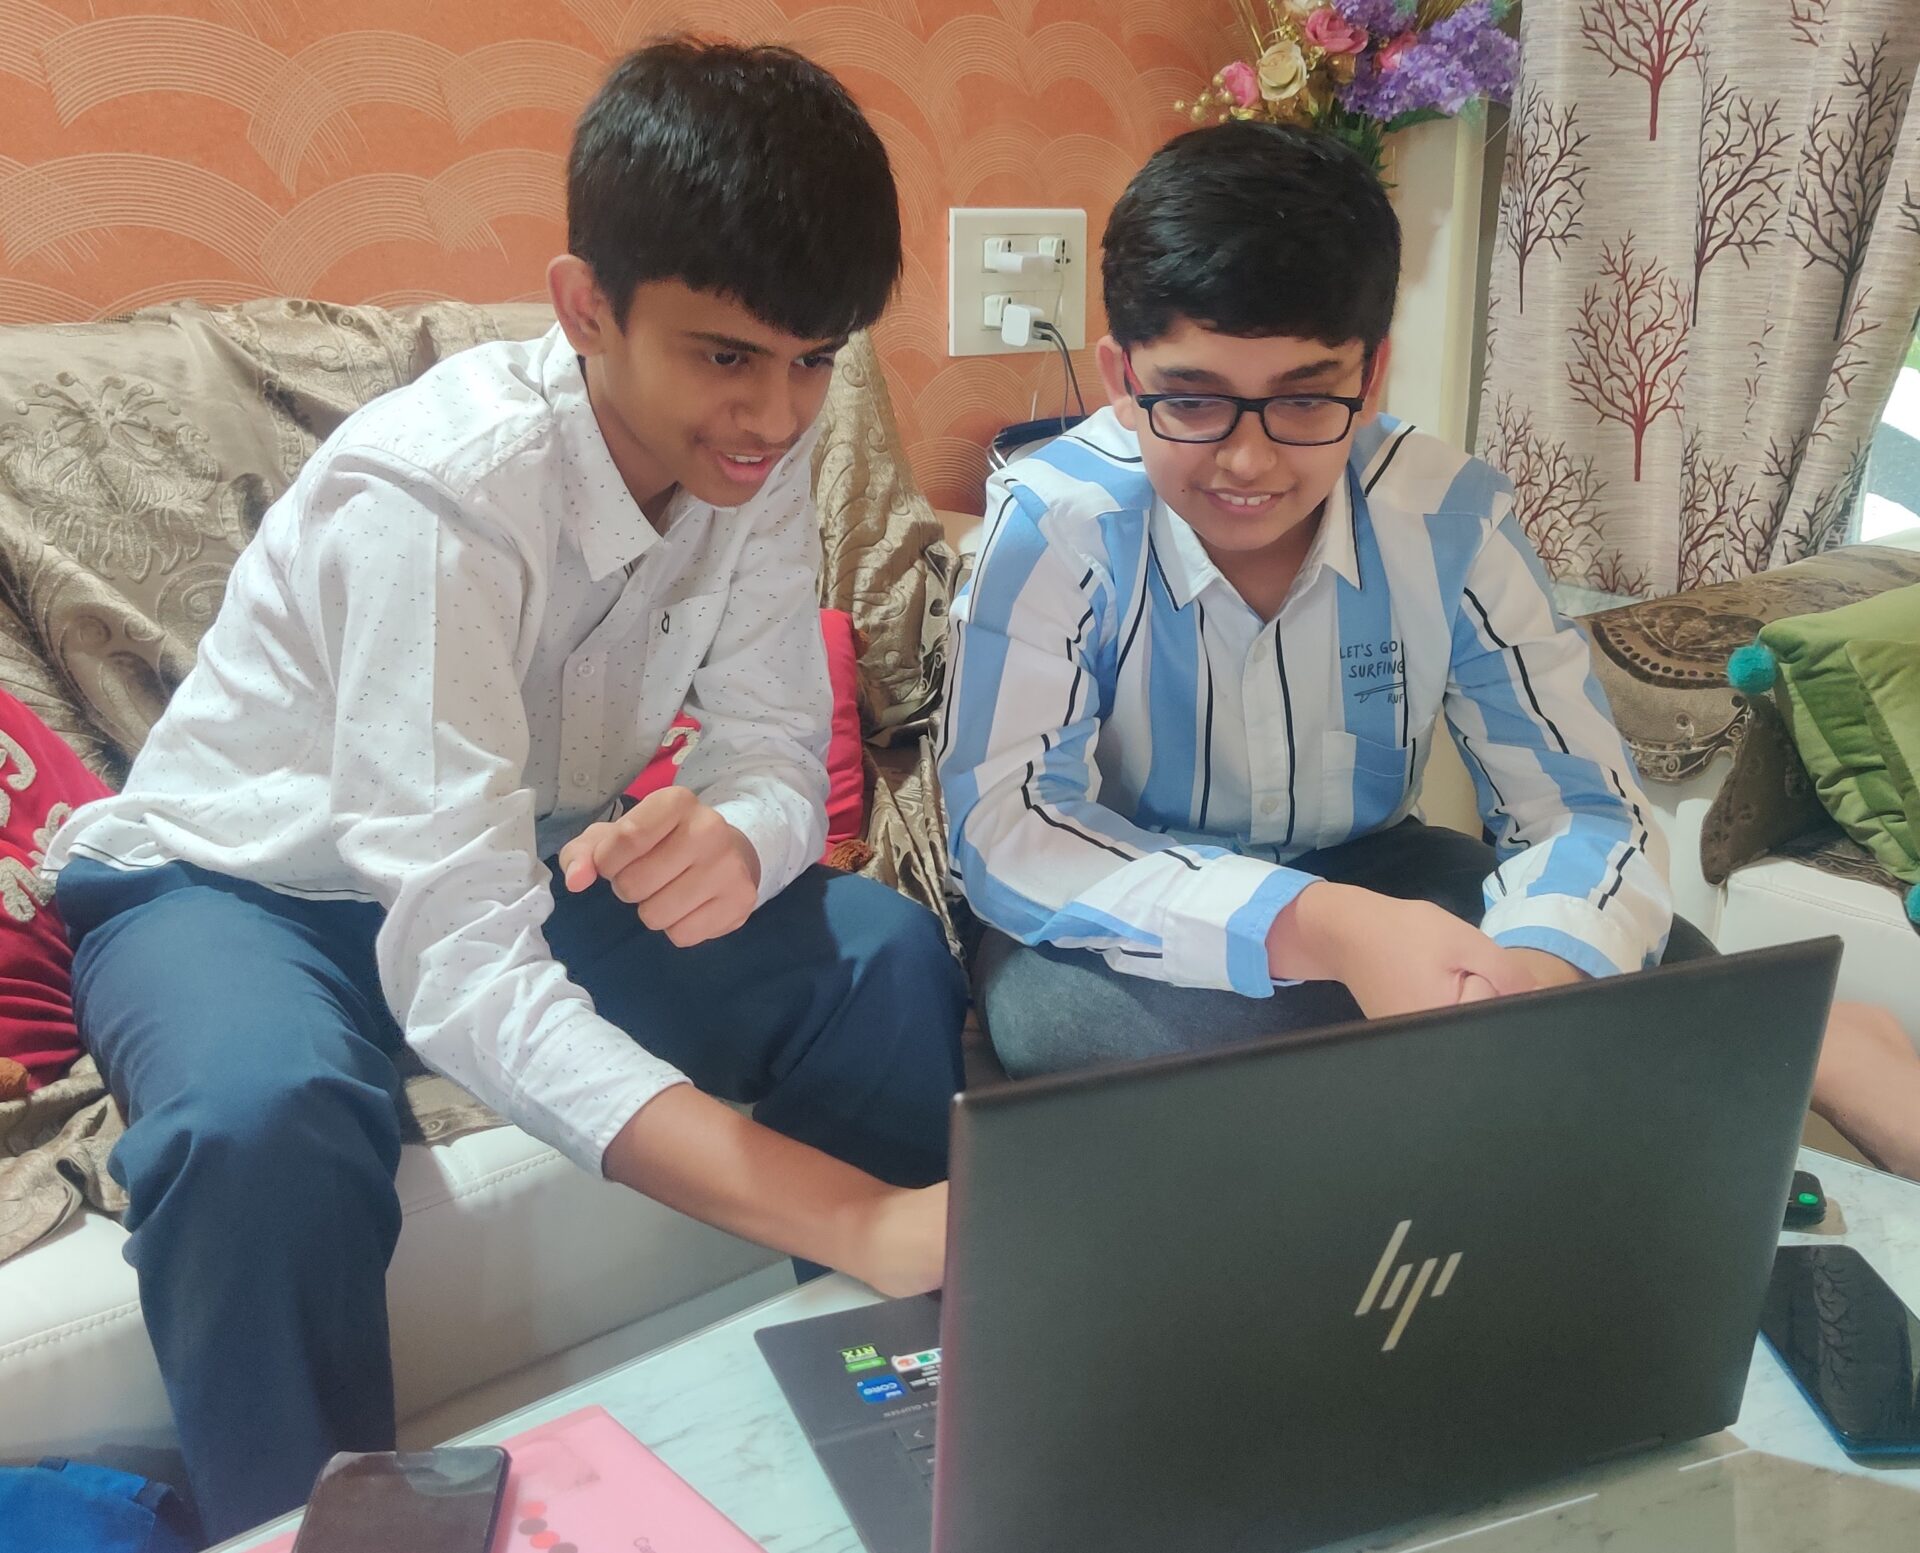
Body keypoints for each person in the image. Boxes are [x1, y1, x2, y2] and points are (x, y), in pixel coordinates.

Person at [45, 40, 965, 1542]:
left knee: (878, 958)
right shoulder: (441, 492)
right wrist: (857, 1214)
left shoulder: (761, 449)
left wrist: (745, 832)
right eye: (725, 357)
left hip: (513, 854)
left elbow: (775, 748)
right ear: (584, 306)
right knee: (261, 1123)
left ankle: (911, 1435)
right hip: (232, 885)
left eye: (815, 359)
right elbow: (462, 965)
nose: (776, 413)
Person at [941, 120, 1708, 1079]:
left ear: (1371, 376)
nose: (1248, 461)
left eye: (1305, 400)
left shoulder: (1450, 519)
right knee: (1079, 1025)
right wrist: (1323, 929)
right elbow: (1010, 830)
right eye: (1193, 400)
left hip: (1383, 868)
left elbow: (1585, 808)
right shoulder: (1053, 527)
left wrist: (1536, 977)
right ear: (1122, 381)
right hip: (1128, 897)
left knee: (1669, 963)